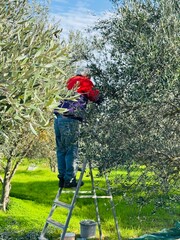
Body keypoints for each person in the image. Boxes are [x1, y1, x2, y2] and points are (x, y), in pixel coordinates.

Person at [54, 68, 101, 188]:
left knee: (61, 149)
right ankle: (69, 179)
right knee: (71, 149)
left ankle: (62, 178)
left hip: (58, 118)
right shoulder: (84, 81)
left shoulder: (70, 81)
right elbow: (95, 97)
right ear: (87, 75)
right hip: (71, 119)